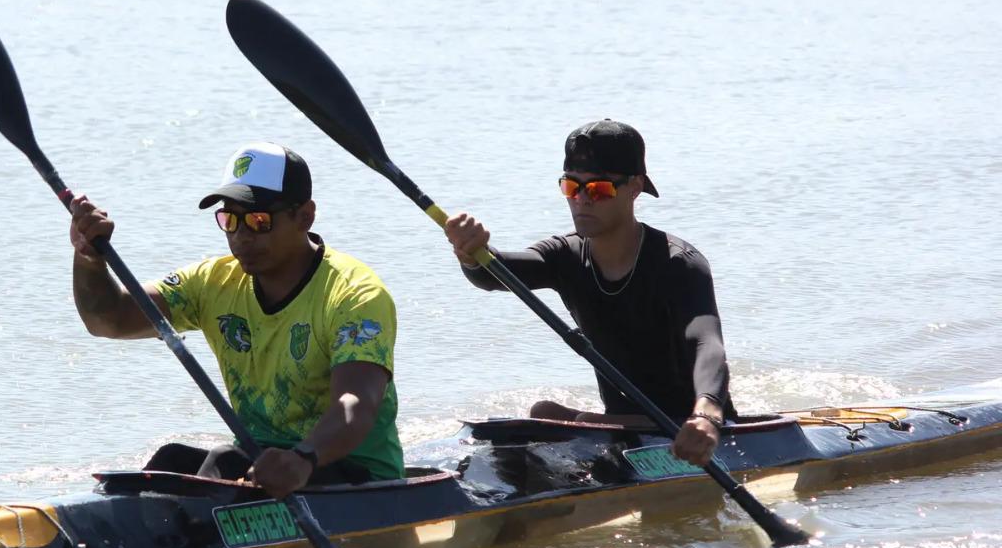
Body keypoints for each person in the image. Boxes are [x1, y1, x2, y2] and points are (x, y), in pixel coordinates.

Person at [68, 141, 404, 497]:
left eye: (259, 221)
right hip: (260, 463)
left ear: (305, 216)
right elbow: (108, 320)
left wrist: (303, 458)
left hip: (358, 476)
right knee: (172, 460)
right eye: (230, 220)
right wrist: (90, 258)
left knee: (225, 460)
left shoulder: (354, 294)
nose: (241, 237)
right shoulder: (214, 283)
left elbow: (356, 402)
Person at [443, 119, 733, 466]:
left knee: (580, 423)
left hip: (689, 428)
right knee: (543, 411)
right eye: (571, 187)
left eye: (598, 189)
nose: (581, 200)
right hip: (619, 426)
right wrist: (471, 253)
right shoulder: (563, 255)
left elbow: (706, 342)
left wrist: (707, 412)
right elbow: (495, 275)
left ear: (635, 187)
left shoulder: (679, 264)